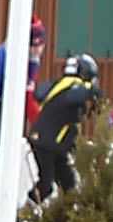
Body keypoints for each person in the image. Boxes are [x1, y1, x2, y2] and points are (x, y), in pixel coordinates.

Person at [0, 19, 48, 172]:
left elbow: (27, 90)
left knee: (5, 138)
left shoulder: (30, 57)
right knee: (1, 139)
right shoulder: (16, 57)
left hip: (3, 88)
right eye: (35, 46)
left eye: (41, 45)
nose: (39, 50)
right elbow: (26, 95)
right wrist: (39, 124)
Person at [29, 51, 103, 198]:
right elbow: (79, 95)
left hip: (48, 141)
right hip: (49, 142)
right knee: (46, 185)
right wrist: (96, 99)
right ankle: (20, 215)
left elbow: (38, 93)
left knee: (67, 184)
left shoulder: (59, 83)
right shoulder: (76, 86)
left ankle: (64, 216)